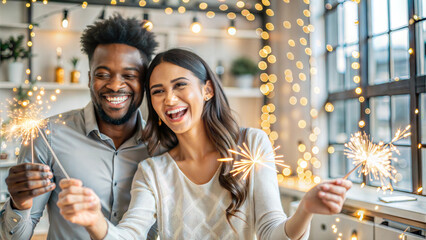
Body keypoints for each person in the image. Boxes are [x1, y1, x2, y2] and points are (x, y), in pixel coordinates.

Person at [57, 49, 352, 239]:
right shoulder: (153, 171)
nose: (169, 99)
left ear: (207, 89)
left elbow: (270, 231)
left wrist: (306, 210)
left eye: (180, 85)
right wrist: (95, 221)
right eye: (158, 91)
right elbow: (130, 236)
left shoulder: (251, 144)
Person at [0, 14, 158, 240]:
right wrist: (19, 205)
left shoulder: (161, 146)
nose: (114, 85)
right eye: (102, 75)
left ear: (144, 83)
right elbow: (14, 237)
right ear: (89, 79)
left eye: (129, 75)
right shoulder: (47, 136)